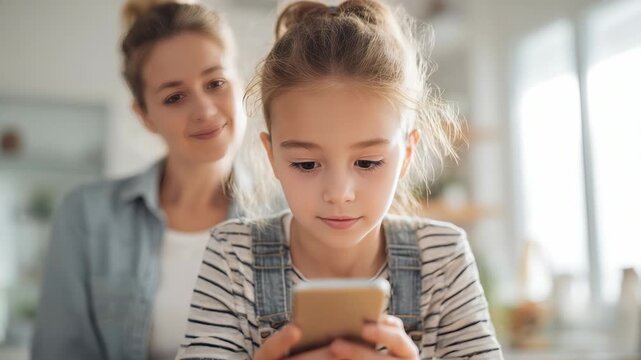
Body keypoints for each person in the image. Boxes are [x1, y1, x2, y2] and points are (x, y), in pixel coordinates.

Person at [177, 0, 503, 359]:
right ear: (272, 157)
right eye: (305, 164)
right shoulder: (232, 256)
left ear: (407, 154)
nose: (339, 194)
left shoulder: (443, 259)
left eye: (367, 162)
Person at [31, 1, 246, 359]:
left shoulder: (292, 214)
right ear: (145, 115)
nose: (204, 109)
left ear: (239, 83)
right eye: (175, 96)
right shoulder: (86, 215)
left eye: (215, 82)